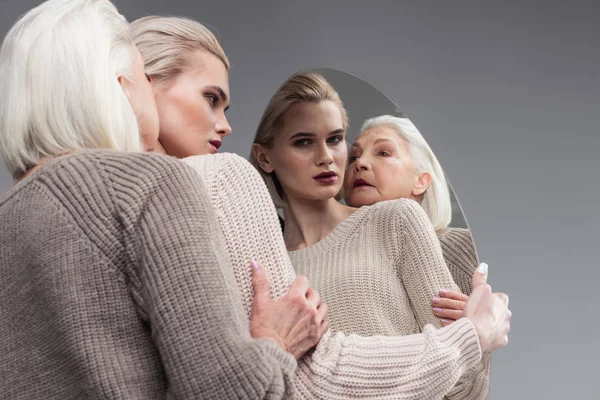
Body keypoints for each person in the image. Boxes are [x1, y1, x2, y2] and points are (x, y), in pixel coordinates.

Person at [132, 16, 511, 399]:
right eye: (303, 142)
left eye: (336, 139)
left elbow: (465, 381)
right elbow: (277, 377)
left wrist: (472, 335)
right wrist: (471, 336)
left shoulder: (395, 220)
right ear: (265, 158)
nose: (327, 157)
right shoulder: (246, 241)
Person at [0, 1, 329, 398]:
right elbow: (225, 391)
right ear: (118, 87)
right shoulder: (151, 186)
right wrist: (277, 341)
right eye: (142, 75)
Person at [343, 115, 478, 299]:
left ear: (421, 181)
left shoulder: (466, 249)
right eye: (353, 157)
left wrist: (475, 323)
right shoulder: (329, 257)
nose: (360, 163)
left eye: (383, 153)